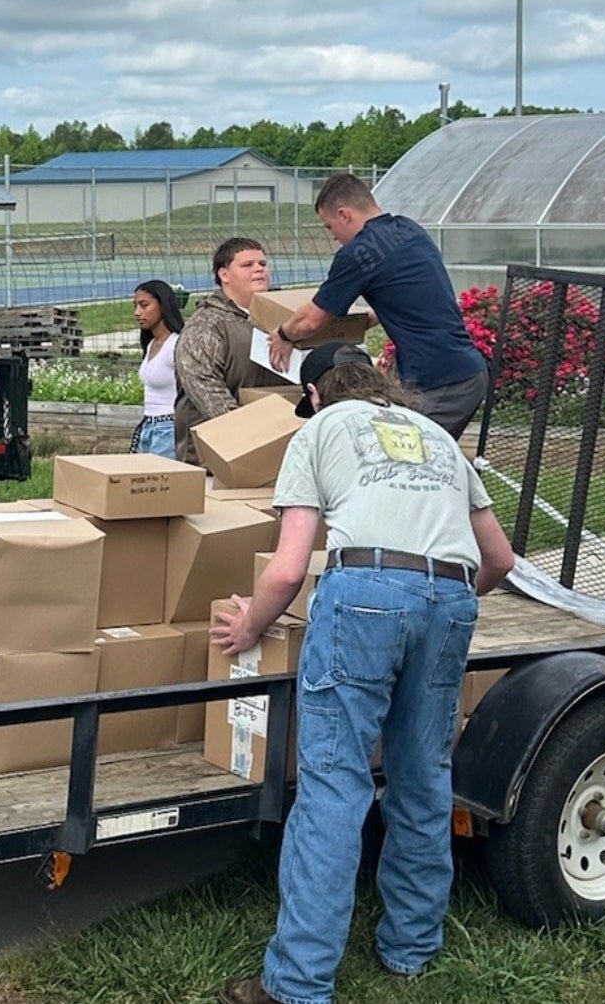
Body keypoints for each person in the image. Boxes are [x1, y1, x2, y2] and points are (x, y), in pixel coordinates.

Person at [213, 341, 513, 1004]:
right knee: (422, 774)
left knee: (334, 785)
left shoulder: (318, 430)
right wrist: (438, 600)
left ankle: (296, 983)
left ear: (317, 392)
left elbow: (290, 568)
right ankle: (410, 948)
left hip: (365, 594)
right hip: (452, 595)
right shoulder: (439, 437)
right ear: (380, 383)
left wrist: (251, 626)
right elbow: (500, 559)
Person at [266, 174, 488, 439]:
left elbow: (310, 321)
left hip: (441, 382)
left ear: (344, 214)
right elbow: (409, 298)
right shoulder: (408, 229)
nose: (334, 237)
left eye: (329, 227)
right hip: (463, 369)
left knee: (406, 464)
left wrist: (283, 335)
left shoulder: (359, 253)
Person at [174, 237, 291, 465]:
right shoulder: (206, 326)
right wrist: (252, 437)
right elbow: (207, 392)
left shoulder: (280, 322)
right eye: (247, 265)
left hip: (276, 452)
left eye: (263, 264)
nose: (258, 269)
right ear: (224, 275)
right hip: (215, 461)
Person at [130, 280, 184, 459]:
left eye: (144, 305)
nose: (137, 312)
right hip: (147, 426)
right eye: (136, 306)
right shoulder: (151, 343)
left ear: (163, 305)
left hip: (168, 429)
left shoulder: (177, 344)